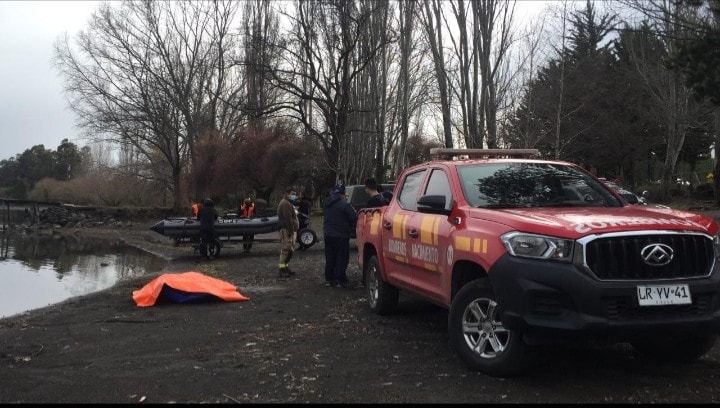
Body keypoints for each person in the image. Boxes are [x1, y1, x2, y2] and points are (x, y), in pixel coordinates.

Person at [323, 184, 358, 288]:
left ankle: (329, 279)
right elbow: (353, 217)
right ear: (342, 194)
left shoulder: (326, 203)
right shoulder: (344, 205)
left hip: (328, 234)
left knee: (330, 257)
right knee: (341, 257)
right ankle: (340, 279)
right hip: (341, 235)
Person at [277, 187, 299, 278]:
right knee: (285, 250)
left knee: (290, 250)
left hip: (289, 230)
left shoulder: (288, 203)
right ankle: (282, 270)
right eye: (292, 194)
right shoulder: (285, 204)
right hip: (286, 230)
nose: (294, 196)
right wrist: (290, 231)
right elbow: (288, 219)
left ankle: (286, 267)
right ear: (287, 194)